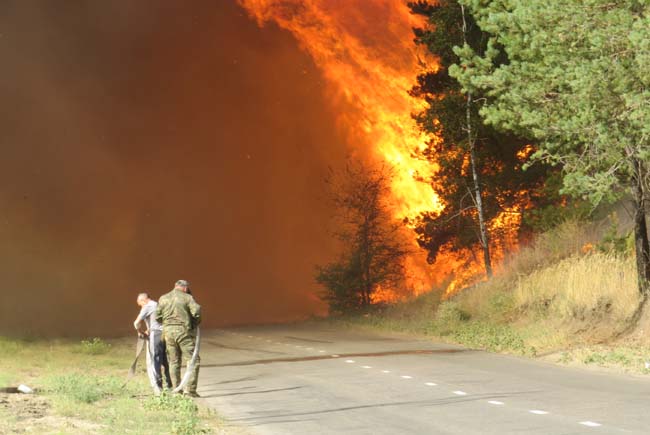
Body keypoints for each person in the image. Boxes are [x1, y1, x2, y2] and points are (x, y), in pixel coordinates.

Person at [155, 279, 201, 397]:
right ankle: (190, 390)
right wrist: (194, 324)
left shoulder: (163, 298)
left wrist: (167, 324)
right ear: (185, 288)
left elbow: (157, 316)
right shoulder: (187, 297)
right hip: (184, 332)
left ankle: (177, 390)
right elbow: (196, 311)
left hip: (168, 333)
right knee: (193, 360)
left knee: (173, 361)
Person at [134, 293, 172, 389]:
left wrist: (140, 332)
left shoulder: (147, 306)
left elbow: (136, 323)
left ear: (143, 300)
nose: (141, 307)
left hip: (156, 335)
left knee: (155, 361)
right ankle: (169, 384)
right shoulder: (158, 305)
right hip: (165, 334)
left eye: (140, 304)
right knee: (165, 360)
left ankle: (158, 387)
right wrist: (149, 329)